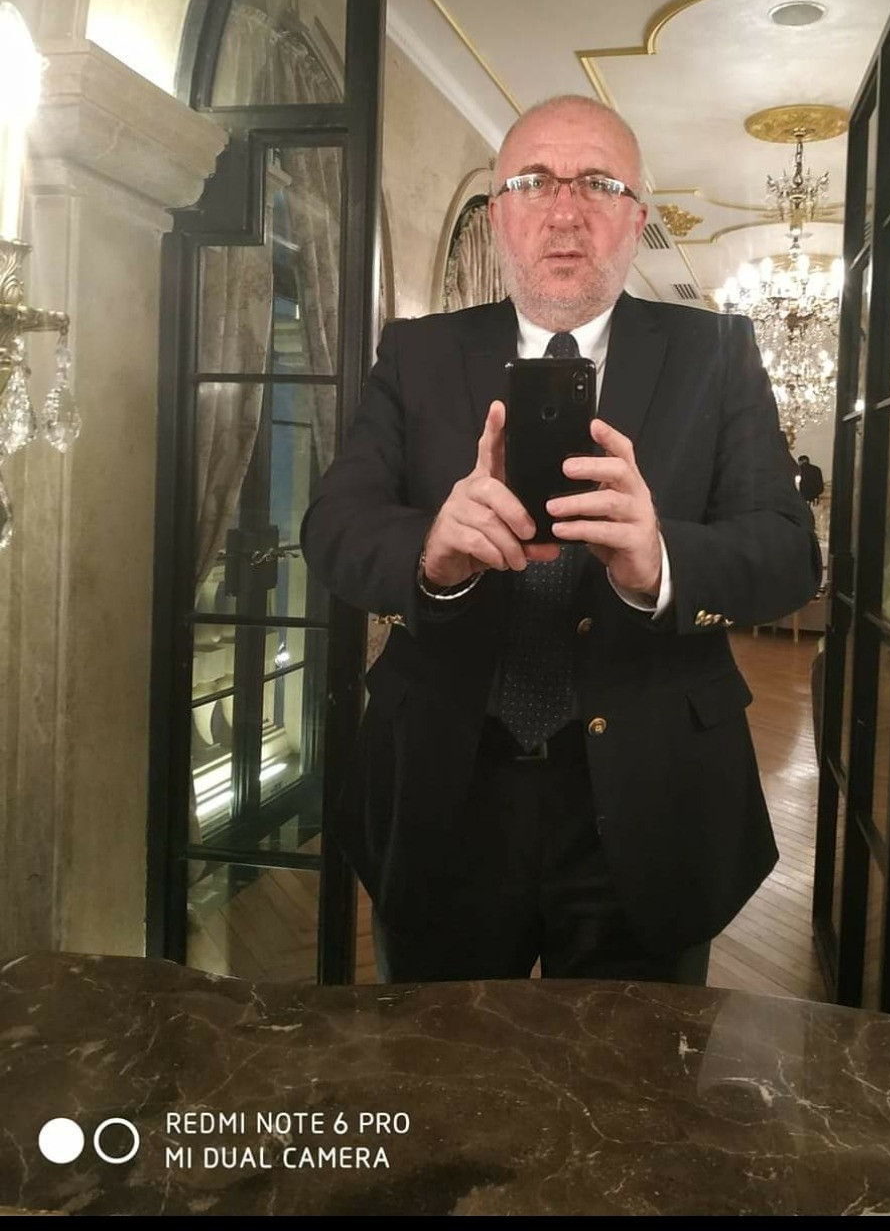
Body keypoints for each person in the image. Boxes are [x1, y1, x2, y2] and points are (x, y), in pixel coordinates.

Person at [301, 94, 820, 986]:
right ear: (498, 214)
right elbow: (333, 527)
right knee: (437, 1058)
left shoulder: (718, 352)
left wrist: (661, 563)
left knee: (636, 1068)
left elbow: (788, 552)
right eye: (534, 182)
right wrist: (433, 552)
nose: (565, 210)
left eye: (599, 184)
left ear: (639, 219)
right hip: (445, 787)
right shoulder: (417, 352)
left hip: (653, 793)